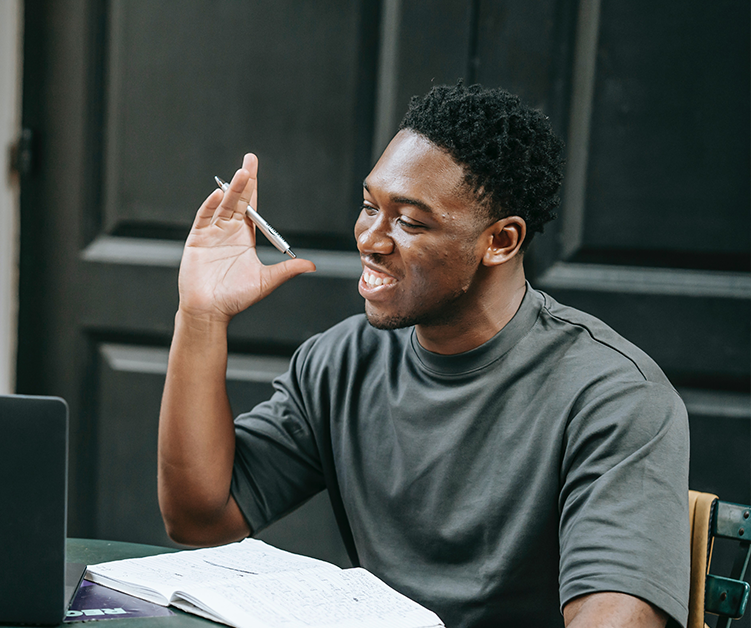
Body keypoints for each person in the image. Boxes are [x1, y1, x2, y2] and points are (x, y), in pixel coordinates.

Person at [158, 83, 688, 628]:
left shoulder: (613, 396)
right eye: (370, 207)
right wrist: (201, 317)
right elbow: (201, 519)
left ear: (501, 241)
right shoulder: (344, 360)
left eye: (410, 222)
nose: (371, 239)